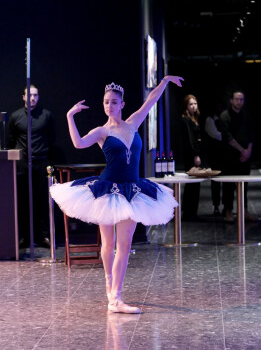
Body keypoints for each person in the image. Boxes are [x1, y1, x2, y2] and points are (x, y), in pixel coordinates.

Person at [50, 76, 182, 314]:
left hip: (132, 190)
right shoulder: (101, 131)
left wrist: (164, 81)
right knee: (108, 243)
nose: (109, 105)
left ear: (122, 104)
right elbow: (79, 144)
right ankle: (110, 286)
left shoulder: (133, 123)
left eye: (113, 102)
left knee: (124, 244)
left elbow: (150, 101)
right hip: (108, 191)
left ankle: (116, 298)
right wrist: (70, 117)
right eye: (106, 102)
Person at [8, 85, 54, 248]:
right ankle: (23, 237)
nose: (32, 98)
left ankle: (44, 237)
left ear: (38, 97)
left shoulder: (46, 115)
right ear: (23, 97)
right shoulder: (15, 116)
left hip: (41, 162)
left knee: (43, 201)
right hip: (22, 163)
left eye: (35, 95)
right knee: (22, 200)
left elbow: (52, 139)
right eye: (29, 95)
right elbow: (10, 141)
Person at [218, 91, 255, 222]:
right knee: (228, 185)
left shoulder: (247, 116)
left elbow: (251, 135)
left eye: (241, 99)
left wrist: (248, 151)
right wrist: (242, 150)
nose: (239, 102)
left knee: (244, 184)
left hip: (245, 156)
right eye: (237, 99)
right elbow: (228, 137)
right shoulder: (224, 116)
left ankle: (243, 211)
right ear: (231, 101)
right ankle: (228, 211)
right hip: (229, 156)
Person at [180, 94, 203, 221]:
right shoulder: (186, 120)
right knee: (192, 183)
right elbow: (190, 139)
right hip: (191, 155)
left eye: (195, 104)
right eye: (191, 104)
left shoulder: (193, 118)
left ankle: (191, 211)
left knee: (194, 184)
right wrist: (196, 154)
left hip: (193, 154)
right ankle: (189, 212)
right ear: (186, 106)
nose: (194, 106)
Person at [204, 100, 224, 216]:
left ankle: (227, 207)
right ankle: (216, 205)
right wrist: (227, 137)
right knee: (215, 181)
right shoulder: (210, 119)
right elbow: (215, 134)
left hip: (224, 153)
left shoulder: (222, 119)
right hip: (215, 153)